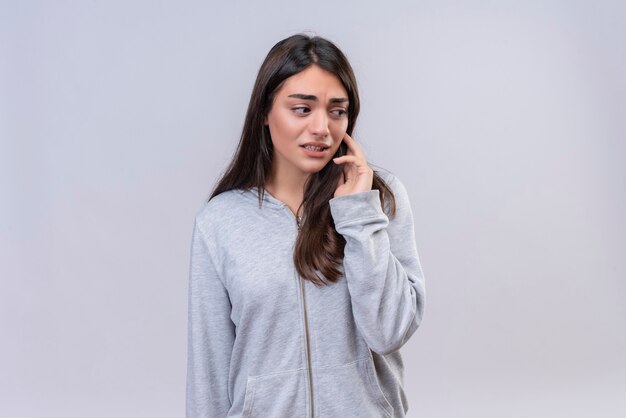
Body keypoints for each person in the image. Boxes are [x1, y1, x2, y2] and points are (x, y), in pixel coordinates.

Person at [186, 33, 425, 418]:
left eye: (337, 111)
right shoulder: (220, 222)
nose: (322, 128)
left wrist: (359, 213)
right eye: (302, 109)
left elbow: (390, 331)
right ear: (265, 112)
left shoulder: (379, 199)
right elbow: (209, 370)